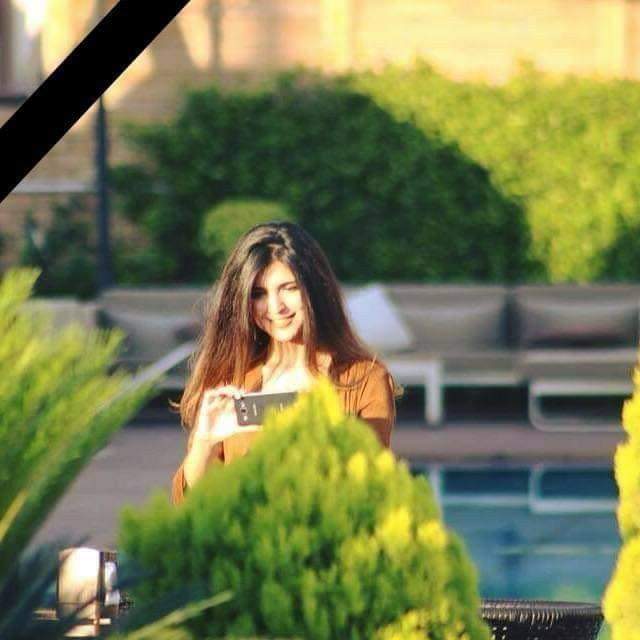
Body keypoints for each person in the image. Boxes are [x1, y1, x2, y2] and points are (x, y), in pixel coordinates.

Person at [171, 221, 398, 505]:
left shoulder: (364, 380)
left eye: (288, 288)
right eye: (259, 294)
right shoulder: (232, 379)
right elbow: (189, 504)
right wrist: (205, 442)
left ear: (314, 289)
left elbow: (372, 489)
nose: (276, 307)